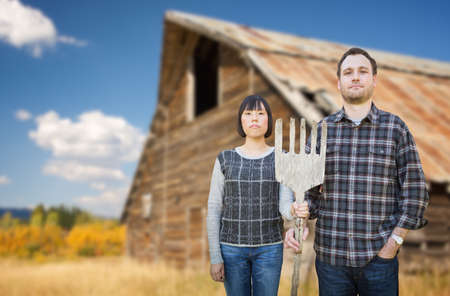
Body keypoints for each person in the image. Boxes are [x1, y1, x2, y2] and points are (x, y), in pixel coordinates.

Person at [285, 47, 429, 296]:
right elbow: (307, 192)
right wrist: (300, 219)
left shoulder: (395, 129)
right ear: (338, 82)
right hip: (331, 261)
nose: (355, 77)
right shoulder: (321, 131)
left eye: (363, 71)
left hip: (379, 260)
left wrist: (394, 242)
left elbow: (416, 192)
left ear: (374, 79)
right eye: (348, 72)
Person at [206, 94, 297, 296]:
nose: (254, 118)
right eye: (248, 113)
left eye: (260, 113)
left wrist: (294, 210)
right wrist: (215, 257)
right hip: (231, 249)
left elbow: (285, 205)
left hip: (270, 249)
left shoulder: (281, 158)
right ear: (241, 120)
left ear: (268, 120)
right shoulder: (225, 159)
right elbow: (214, 209)